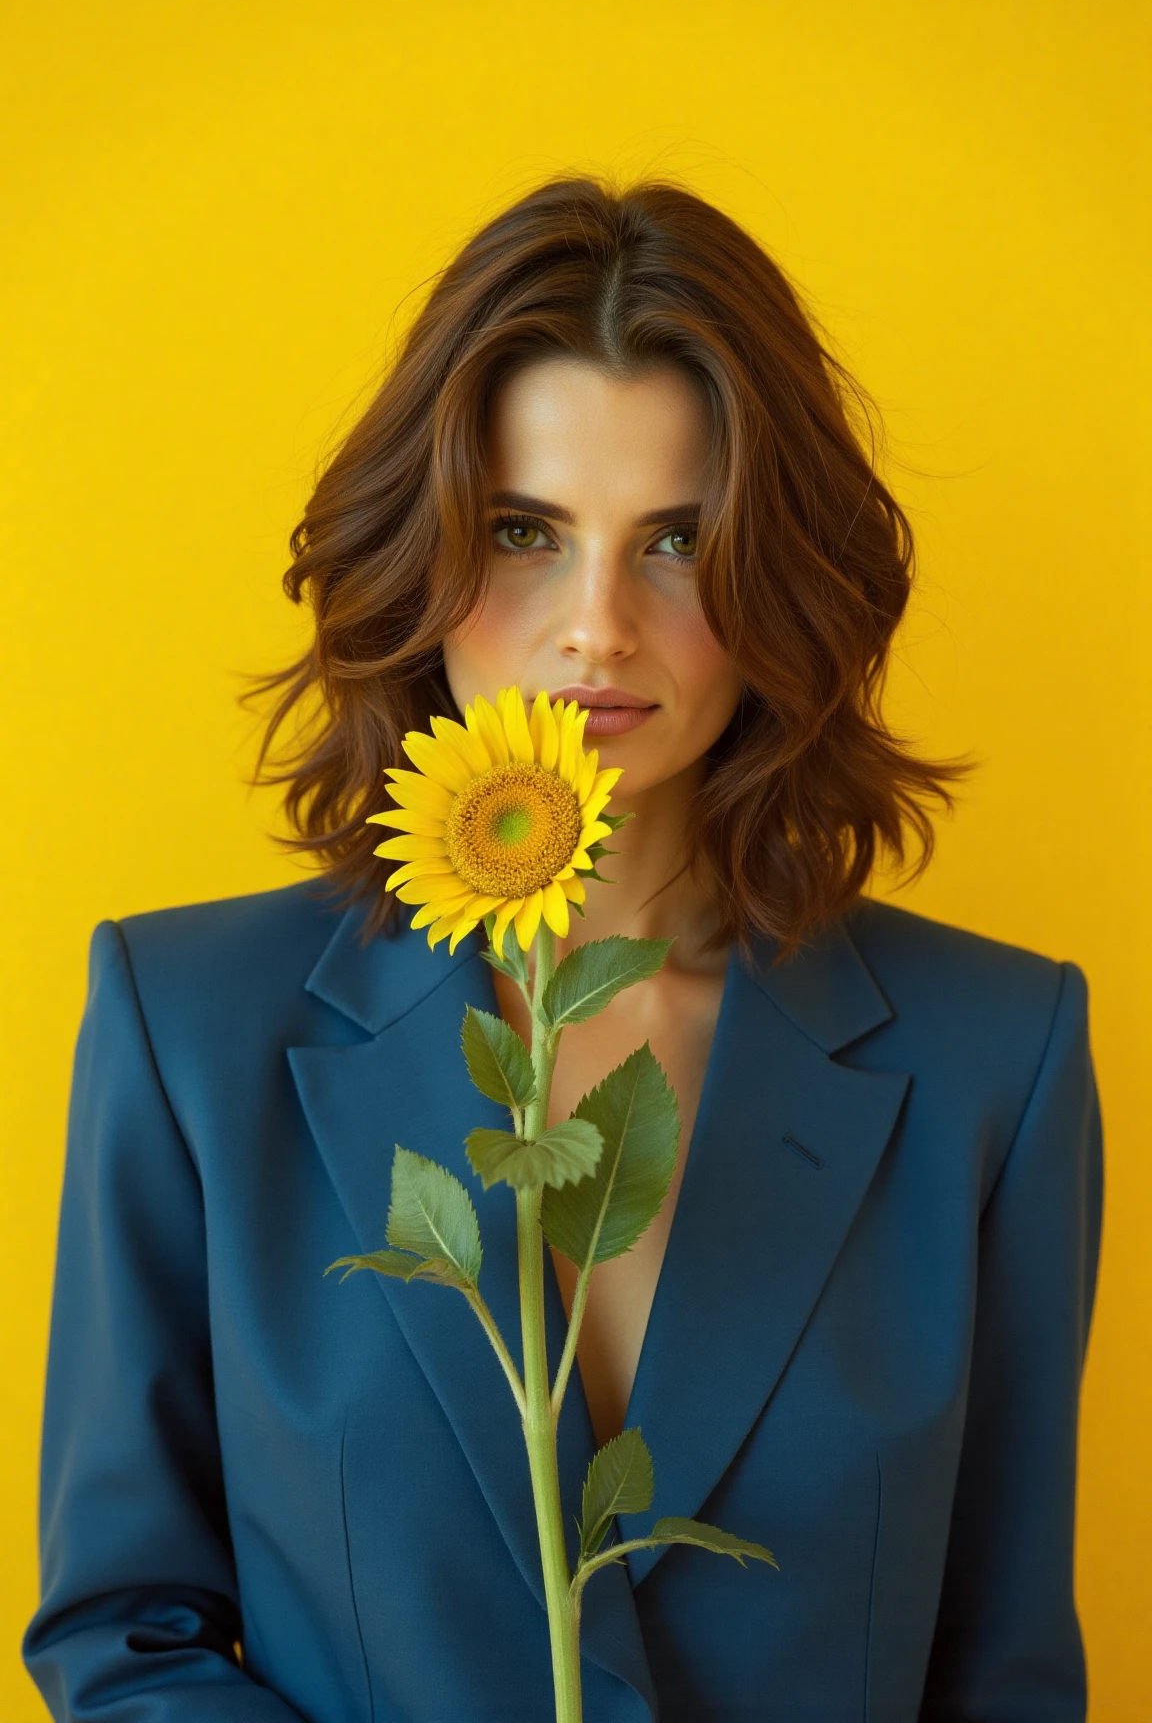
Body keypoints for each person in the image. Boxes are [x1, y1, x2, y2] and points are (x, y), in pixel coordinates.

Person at [24, 177, 1103, 1722]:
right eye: (527, 531)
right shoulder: (186, 1032)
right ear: (426, 544)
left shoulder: (994, 1060)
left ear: (774, 575)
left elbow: (1003, 1672)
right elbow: (126, 1636)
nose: (597, 626)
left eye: (678, 540)